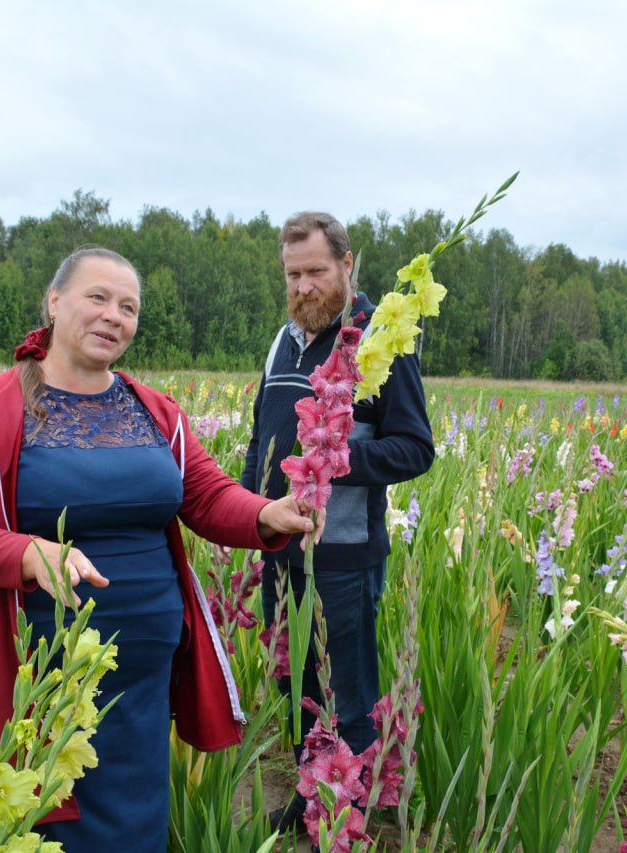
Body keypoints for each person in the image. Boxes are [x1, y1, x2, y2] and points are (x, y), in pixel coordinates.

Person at [0, 247, 319, 851]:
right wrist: (31, 554)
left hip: (142, 666)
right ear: (54, 303)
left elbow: (207, 495)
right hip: (39, 661)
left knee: (137, 814)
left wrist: (268, 513)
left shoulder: (153, 410)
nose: (114, 316)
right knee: (48, 809)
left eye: (129, 307)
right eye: (98, 298)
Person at [226, 212, 434, 831]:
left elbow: (415, 448)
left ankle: (351, 821)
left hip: (342, 557)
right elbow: (263, 442)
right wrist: (248, 514)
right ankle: (310, 799)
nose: (304, 286)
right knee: (296, 685)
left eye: (316, 271)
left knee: (347, 695)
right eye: (293, 274)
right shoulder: (283, 340)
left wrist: (333, 459)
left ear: (347, 266)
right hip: (279, 549)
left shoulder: (375, 346)